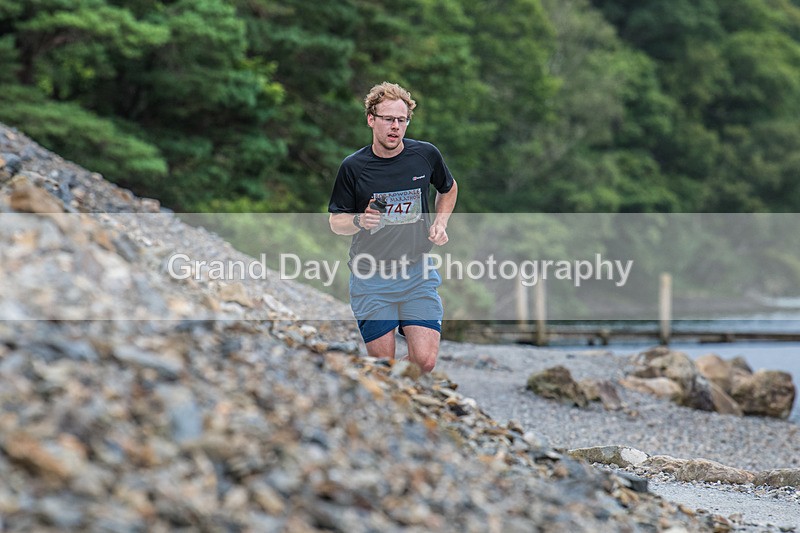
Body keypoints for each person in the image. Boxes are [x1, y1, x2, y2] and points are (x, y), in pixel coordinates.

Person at [328, 82, 458, 373]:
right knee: (383, 366)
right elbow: (336, 221)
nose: (395, 126)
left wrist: (440, 222)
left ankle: (396, 391)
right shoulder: (354, 167)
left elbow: (448, 188)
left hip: (417, 272)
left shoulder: (425, 155)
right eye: (388, 119)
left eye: (402, 120)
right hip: (371, 277)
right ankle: (383, 397)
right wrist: (360, 220)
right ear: (371, 119)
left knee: (424, 361)